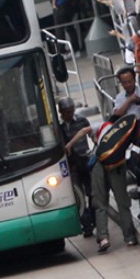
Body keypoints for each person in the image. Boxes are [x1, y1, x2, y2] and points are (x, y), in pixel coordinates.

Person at [89, 119, 138, 253]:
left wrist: (69, 145)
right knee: (122, 201)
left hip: (99, 166)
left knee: (100, 203)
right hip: (117, 165)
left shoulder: (97, 135)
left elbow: (84, 131)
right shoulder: (115, 132)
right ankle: (129, 237)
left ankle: (104, 238)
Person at [57, 98, 93, 234]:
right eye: (66, 112)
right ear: (61, 112)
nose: (69, 114)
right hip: (71, 165)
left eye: (71, 111)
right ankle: (87, 224)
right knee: (79, 195)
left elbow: (92, 135)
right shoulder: (58, 127)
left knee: (92, 192)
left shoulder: (82, 121)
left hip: (85, 160)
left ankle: (93, 218)